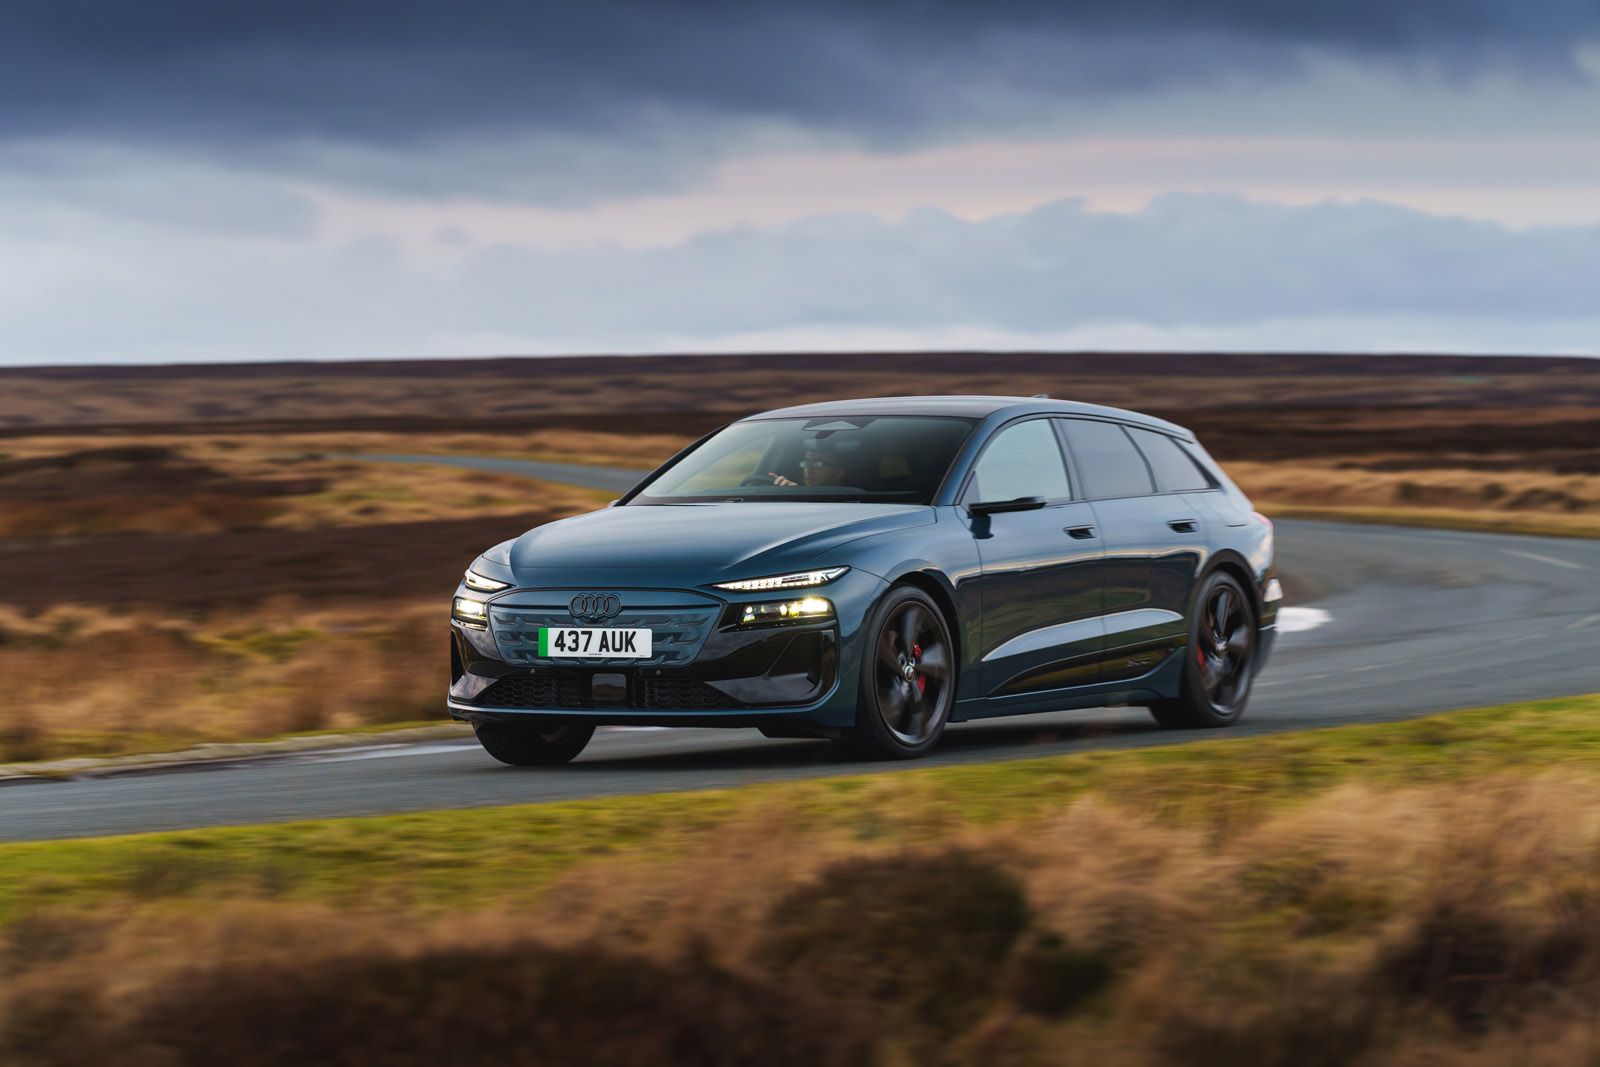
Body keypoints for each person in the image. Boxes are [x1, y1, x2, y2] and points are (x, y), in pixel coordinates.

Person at [768, 443, 847, 487]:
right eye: (806, 463)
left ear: (838, 473)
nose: (809, 470)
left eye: (817, 464)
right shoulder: (795, 490)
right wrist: (794, 492)